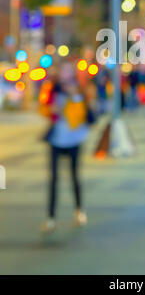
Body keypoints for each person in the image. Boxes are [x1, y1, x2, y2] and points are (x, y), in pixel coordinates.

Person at [40, 77, 89, 234]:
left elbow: (79, 119)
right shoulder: (54, 96)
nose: (67, 86)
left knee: (75, 176)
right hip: (56, 141)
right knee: (53, 179)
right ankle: (51, 218)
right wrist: (50, 109)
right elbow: (44, 110)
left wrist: (72, 100)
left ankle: (79, 211)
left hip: (74, 140)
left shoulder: (78, 99)